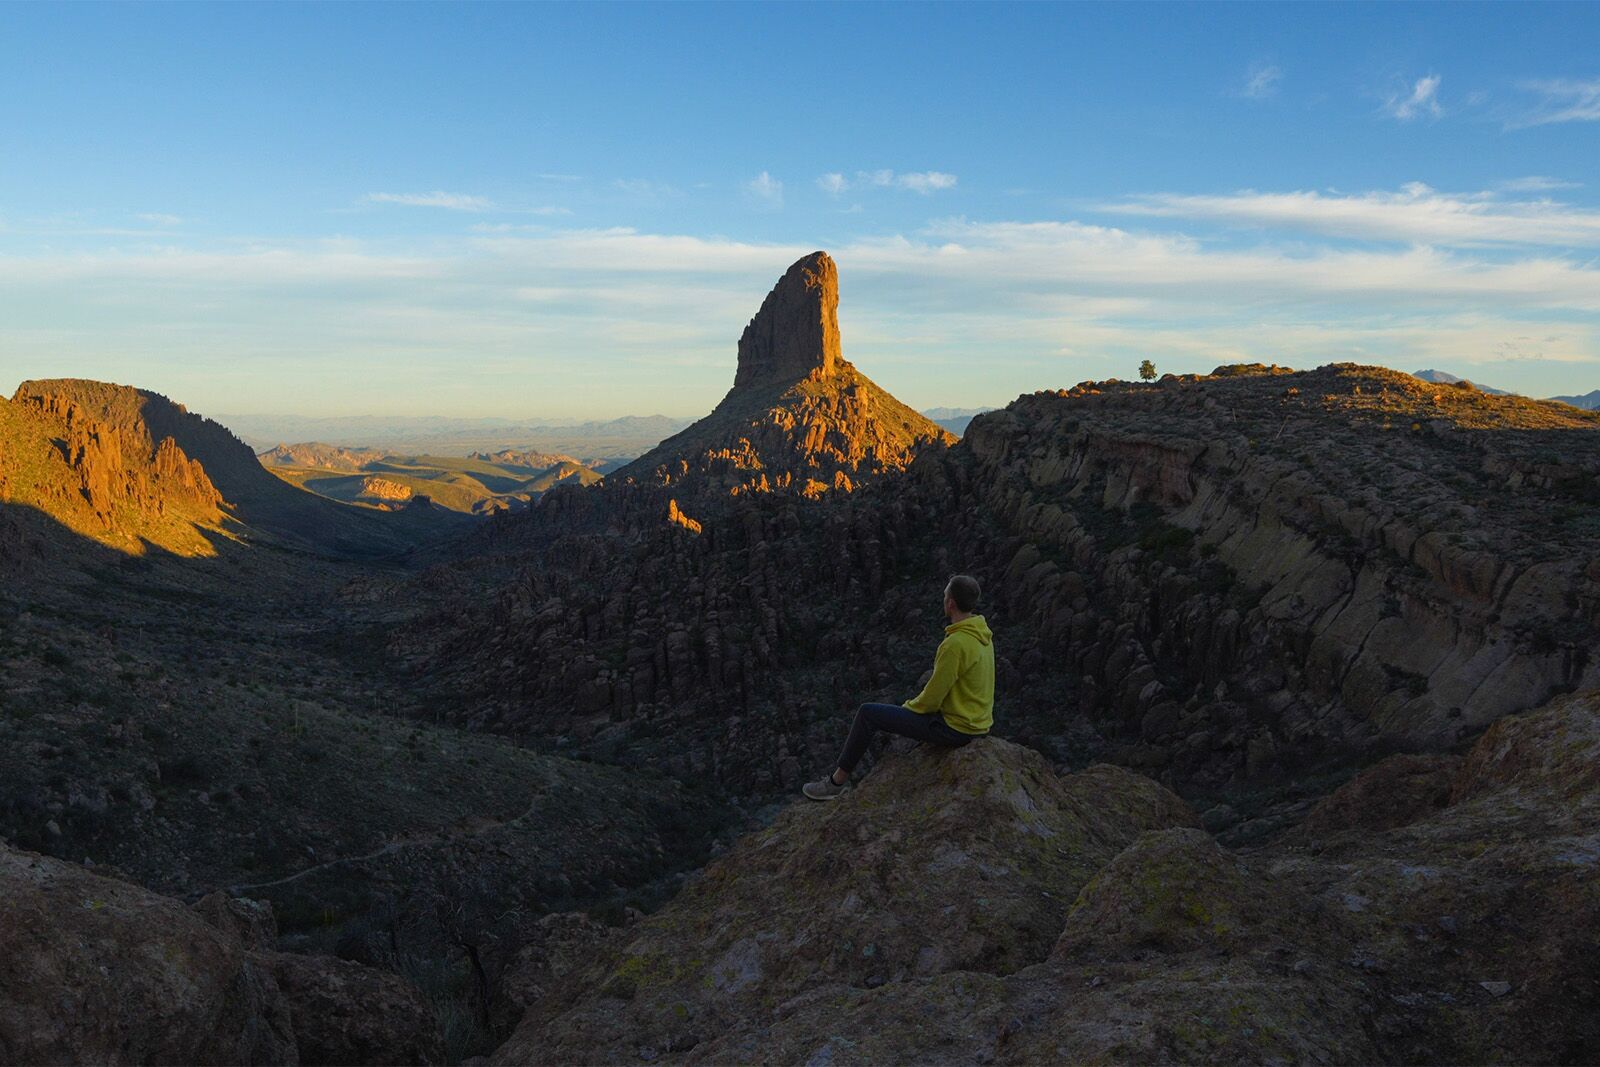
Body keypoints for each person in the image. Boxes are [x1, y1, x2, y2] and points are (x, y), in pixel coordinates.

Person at [803, 574, 993, 801]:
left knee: (868, 713)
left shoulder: (955, 643)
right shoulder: (982, 635)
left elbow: (931, 699)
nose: (943, 599)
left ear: (950, 603)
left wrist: (907, 709)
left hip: (955, 729)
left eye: (945, 595)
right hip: (978, 725)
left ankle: (836, 783)